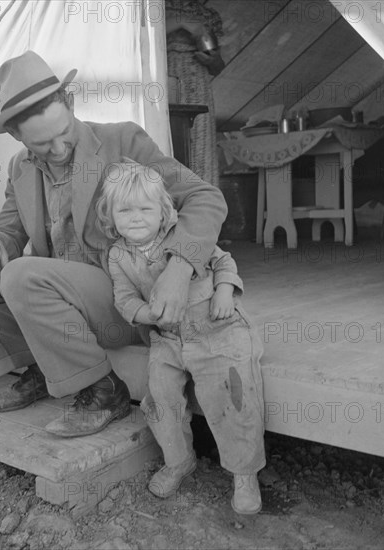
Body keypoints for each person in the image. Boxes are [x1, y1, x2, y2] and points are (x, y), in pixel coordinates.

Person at [0, 50, 228, 438]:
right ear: (16, 136)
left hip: (126, 300)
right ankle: (41, 369)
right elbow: (8, 233)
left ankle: (105, 392)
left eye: (65, 133)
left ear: (70, 102)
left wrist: (179, 269)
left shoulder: (123, 140)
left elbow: (205, 198)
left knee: (24, 275)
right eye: (43, 144)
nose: (59, 150)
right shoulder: (19, 168)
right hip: (64, 306)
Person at [96, 161, 265, 514]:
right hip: (168, 339)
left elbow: (223, 262)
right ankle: (179, 460)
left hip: (216, 330)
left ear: (164, 212)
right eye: (124, 210)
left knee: (232, 394)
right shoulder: (118, 256)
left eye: (146, 208)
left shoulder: (183, 238)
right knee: (160, 397)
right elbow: (124, 298)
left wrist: (224, 292)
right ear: (110, 217)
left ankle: (243, 473)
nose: (136, 217)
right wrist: (147, 315)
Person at [165, 0, 225, 186]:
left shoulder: (208, 15)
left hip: (199, 89)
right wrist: (182, 22)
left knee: (201, 148)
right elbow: (144, 36)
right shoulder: (157, 6)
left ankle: (202, 204)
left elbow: (218, 67)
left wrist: (212, 60)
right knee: (170, 143)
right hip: (167, 85)